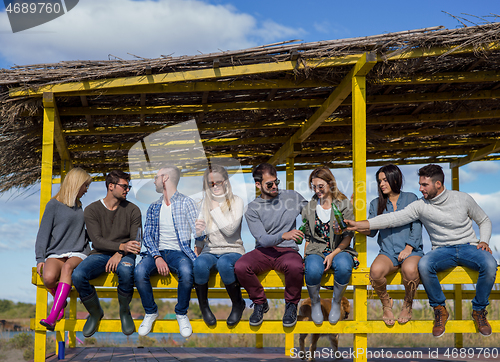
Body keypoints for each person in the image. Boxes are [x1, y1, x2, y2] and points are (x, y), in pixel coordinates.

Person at [345, 164, 497, 338]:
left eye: (424, 185)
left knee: (490, 264)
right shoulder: (420, 205)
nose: (420, 188)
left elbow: (484, 220)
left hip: (468, 246)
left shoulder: (462, 198)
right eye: (420, 184)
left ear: (438, 184)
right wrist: (357, 225)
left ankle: (478, 311)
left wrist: (484, 240)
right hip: (441, 250)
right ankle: (440, 310)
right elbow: (392, 218)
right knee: (424, 265)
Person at [234, 163, 307, 327]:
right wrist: (283, 235)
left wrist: (339, 202)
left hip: (288, 250)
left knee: (296, 266)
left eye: (276, 182)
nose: (275, 187)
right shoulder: (252, 208)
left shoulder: (291, 197)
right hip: (264, 251)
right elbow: (263, 239)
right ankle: (260, 302)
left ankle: (291, 305)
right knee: (240, 266)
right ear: (258, 184)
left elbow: (313, 212)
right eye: (269, 184)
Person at [135, 166, 203, 338]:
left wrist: (197, 250)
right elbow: (148, 236)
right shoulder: (153, 206)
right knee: (139, 271)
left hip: (179, 252)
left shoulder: (187, 202)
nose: (154, 181)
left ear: (165, 178)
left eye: (156, 177)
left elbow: (200, 233)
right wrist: (156, 256)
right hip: (156, 252)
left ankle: (181, 313)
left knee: (187, 271)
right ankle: (150, 312)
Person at [72, 170, 142, 337]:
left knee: (126, 270)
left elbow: (136, 242)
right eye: (124, 186)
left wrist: (120, 252)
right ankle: (95, 312)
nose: (127, 190)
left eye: (128, 186)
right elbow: (96, 241)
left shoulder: (134, 210)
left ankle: (124, 312)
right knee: (78, 275)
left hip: (125, 255)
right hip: (99, 254)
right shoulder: (91, 210)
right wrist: (121, 247)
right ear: (111, 186)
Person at [361, 164, 423, 326]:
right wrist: (354, 223)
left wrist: (409, 247)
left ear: (395, 179)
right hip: (387, 252)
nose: (382, 184)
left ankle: (407, 304)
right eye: (379, 181)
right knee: (374, 271)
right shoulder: (376, 204)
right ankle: (386, 304)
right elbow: (372, 231)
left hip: (412, 250)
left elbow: (416, 226)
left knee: (409, 270)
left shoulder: (411, 198)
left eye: (385, 180)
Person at [35, 167, 92, 331]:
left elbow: (83, 232)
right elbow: (43, 233)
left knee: (67, 268)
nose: (86, 190)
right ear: (76, 184)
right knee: (48, 278)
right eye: (85, 186)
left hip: (78, 251)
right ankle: (61, 301)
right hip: (57, 251)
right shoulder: (53, 205)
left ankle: (52, 317)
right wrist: (40, 259)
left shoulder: (80, 205)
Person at [302, 166, 357, 325]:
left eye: (321, 186)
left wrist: (333, 255)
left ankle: (336, 301)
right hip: (316, 250)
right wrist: (305, 257)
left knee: (345, 265)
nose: (317, 190)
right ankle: (315, 302)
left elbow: (347, 237)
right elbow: (308, 237)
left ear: (330, 184)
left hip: (340, 249)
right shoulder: (309, 208)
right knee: (311, 269)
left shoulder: (344, 204)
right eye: (314, 187)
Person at [193, 164, 246, 327]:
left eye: (218, 182)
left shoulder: (236, 201)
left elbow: (230, 230)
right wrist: (197, 235)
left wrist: (215, 209)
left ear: (225, 182)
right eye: (210, 184)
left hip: (233, 250)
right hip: (210, 250)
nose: (214, 186)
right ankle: (204, 307)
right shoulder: (202, 203)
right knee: (199, 265)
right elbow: (201, 237)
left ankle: (238, 303)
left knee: (224, 264)